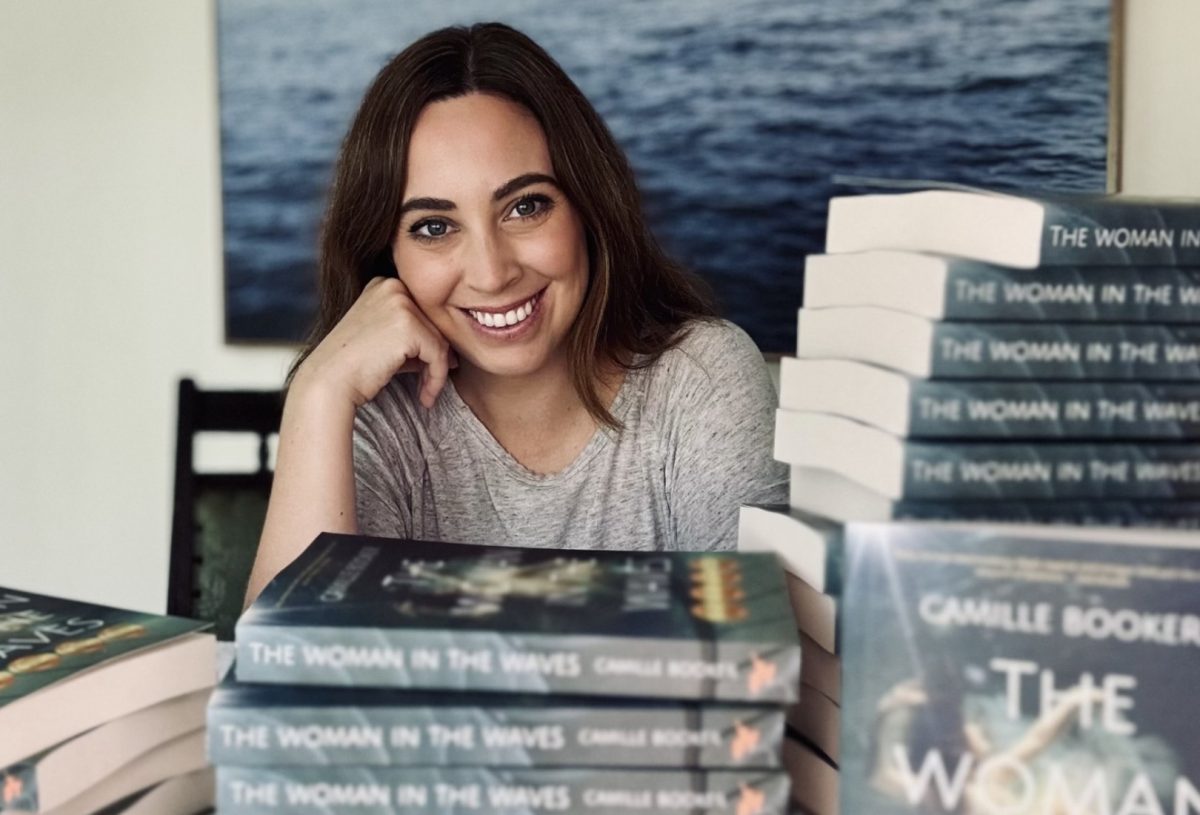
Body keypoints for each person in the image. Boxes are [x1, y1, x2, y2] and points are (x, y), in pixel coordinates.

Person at [245, 22, 786, 604]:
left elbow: (762, 662)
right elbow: (284, 671)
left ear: (587, 208)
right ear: (388, 255)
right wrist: (318, 390)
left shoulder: (704, 377)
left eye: (525, 207)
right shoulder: (374, 414)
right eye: (434, 227)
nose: (491, 272)